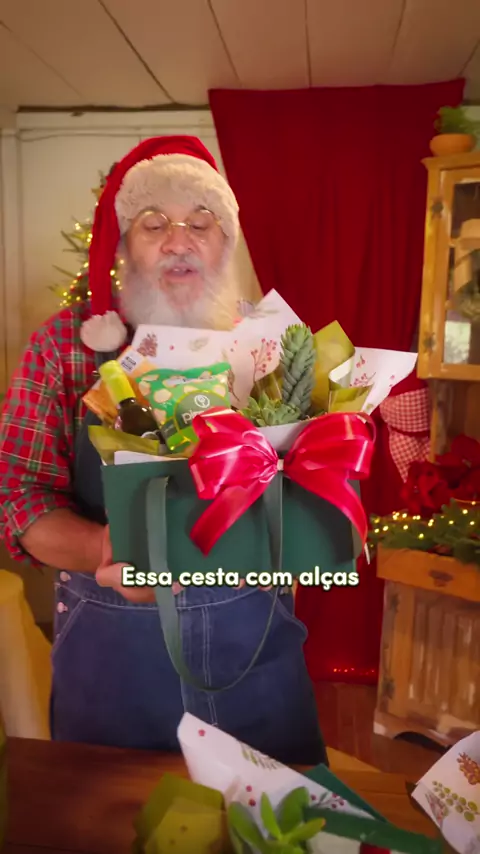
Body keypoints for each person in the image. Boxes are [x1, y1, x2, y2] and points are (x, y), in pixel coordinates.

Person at [0, 136, 326, 765]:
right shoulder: (66, 346)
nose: (179, 241)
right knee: (106, 807)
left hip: (250, 639)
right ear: (124, 244)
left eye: (201, 223)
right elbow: (14, 494)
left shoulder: (272, 345)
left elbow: (310, 487)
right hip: (112, 649)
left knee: (277, 804)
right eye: (154, 225)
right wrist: (102, 548)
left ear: (226, 242)